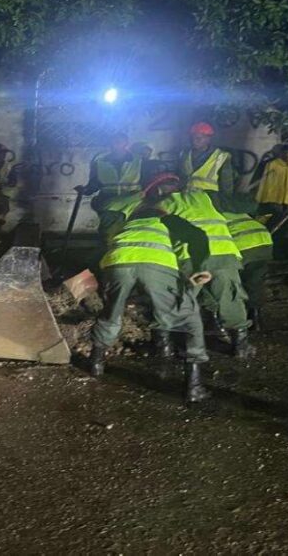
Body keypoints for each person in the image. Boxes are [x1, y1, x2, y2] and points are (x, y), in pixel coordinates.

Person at [90, 173, 213, 403]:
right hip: (154, 264)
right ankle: (194, 387)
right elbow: (198, 237)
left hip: (117, 262)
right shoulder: (166, 219)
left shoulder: (126, 223)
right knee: (188, 318)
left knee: (112, 312)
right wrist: (200, 267)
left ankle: (96, 362)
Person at [157, 182, 255, 359]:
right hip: (224, 253)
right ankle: (241, 345)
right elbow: (245, 205)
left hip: (192, 256)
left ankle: (177, 345)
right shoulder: (206, 196)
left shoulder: (163, 204)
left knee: (186, 298)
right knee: (230, 296)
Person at [255, 143, 288, 260]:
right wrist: (261, 198)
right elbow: (265, 183)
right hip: (275, 200)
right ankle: (275, 251)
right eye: (286, 153)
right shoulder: (272, 165)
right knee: (275, 225)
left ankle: (287, 252)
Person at [223, 211, 274, 333]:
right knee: (255, 282)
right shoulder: (234, 213)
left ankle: (238, 318)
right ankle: (256, 318)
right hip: (263, 240)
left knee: (235, 282)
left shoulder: (215, 217)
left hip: (243, 244)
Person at [81, 132, 142, 214]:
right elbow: (94, 183)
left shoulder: (138, 160)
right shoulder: (100, 162)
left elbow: (146, 179)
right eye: (111, 143)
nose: (114, 146)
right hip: (108, 201)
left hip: (131, 201)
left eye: (118, 142)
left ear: (126, 143)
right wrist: (86, 190)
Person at [179, 121, 235, 200]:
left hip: (209, 199)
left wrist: (226, 200)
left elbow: (227, 183)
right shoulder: (184, 154)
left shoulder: (221, 157)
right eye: (192, 138)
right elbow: (180, 176)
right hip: (187, 196)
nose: (194, 141)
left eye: (199, 138)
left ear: (208, 139)